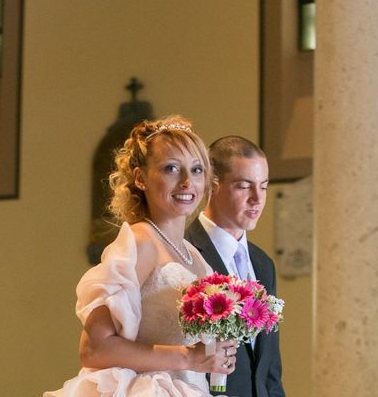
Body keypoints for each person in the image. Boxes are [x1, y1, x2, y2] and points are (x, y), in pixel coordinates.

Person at [44, 116, 237, 397]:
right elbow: (93, 349)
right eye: (171, 168)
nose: (187, 181)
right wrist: (187, 357)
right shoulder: (140, 242)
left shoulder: (194, 256)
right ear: (140, 178)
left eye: (196, 170)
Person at [185, 136, 285, 397]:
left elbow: (270, 368)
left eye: (263, 187)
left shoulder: (263, 264)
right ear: (212, 185)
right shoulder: (185, 253)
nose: (257, 199)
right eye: (244, 186)